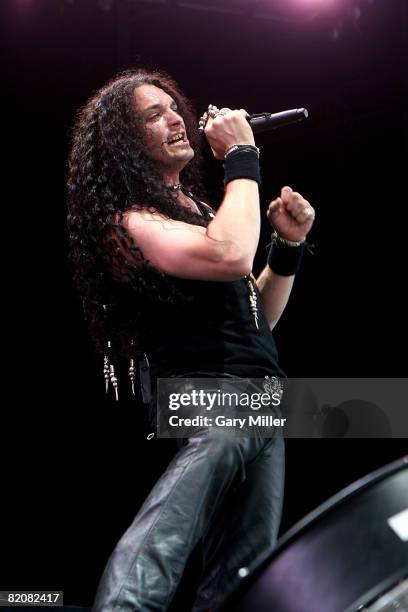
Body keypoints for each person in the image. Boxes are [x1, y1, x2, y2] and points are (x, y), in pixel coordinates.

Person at [67, 69, 315, 611]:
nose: (176, 118)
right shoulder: (130, 222)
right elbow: (229, 256)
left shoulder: (205, 215)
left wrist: (288, 248)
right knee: (178, 520)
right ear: (125, 145)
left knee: (245, 563)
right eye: (152, 116)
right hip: (207, 392)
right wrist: (242, 159)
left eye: (173, 108)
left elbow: (255, 318)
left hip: (262, 398)